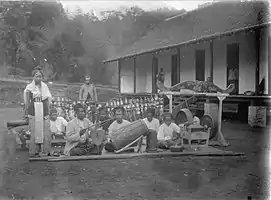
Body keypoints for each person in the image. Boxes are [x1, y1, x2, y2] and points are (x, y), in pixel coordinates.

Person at [24, 67, 52, 157]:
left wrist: (48, 111)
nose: (38, 78)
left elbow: (48, 99)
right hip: (34, 110)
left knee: (45, 131)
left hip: (44, 109)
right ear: (33, 77)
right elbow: (27, 102)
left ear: (42, 78)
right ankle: (34, 151)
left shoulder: (45, 87)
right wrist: (26, 112)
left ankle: (45, 151)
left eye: (40, 76)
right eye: (36, 76)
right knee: (34, 131)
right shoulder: (29, 88)